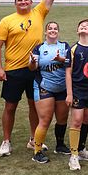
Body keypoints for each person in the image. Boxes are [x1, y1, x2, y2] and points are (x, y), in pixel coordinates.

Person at [0, 0, 60, 157]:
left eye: (26, 0)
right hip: (13, 70)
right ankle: (6, 141)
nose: (23, 2)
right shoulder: (7, 21)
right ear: (15, 3)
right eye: (19, 0)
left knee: (34, 105)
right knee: (10, 106)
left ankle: (33, 139)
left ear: (31, 2)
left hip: (36, 69)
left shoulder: (39, 13)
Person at [29, 22, 71, 163]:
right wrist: (33, 62)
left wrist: (61, 59)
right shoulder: (39, 48)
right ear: (45, 32)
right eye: (50, 29)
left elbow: (70, 64)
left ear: (58, 32)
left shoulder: (64, 46)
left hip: (62, 88)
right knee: (45, 120)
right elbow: (32, 67)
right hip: (44, 86)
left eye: (55, 28)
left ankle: (60, 145)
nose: (52, 31)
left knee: (62, 119)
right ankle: (37, 151)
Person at [66, 19, 88, 171]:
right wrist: (69, 93)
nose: (83, 26)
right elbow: (68, 72)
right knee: (77, 120)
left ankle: (81, 149)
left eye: (86, 25)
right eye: (80, 25)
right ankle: (73, 155)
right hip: (77, 89)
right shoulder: (73, 49)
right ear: (77, 30)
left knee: (86, 119)